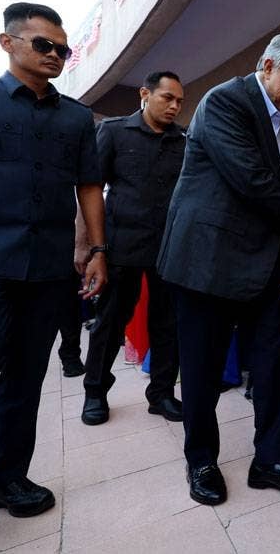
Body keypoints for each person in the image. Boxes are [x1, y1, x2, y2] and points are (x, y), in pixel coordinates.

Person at [0, 3, 106, 554]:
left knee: (25, 379)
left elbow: (88, 187)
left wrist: (96, 248)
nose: (56, 55)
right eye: (44, 45)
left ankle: (6, 480)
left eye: (63, 49)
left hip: (45, 269)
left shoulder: (77, 119)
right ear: (7, 43)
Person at [157, 33, 280, 507]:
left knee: (272, 365)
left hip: (260, 266)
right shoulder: (226, 102)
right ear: (266, 65)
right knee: (203, 371)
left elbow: (274, 187)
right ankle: (201, 461)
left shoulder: (279, 121)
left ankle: (271, 461)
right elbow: (251, 181)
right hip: (208, 263)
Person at [78, 71, 187, 426]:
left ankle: (161, 394)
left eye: (179, 101)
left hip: (168, 248)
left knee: (167, 323)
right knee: (110, 323)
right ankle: (95, 391)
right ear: (145, 93)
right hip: (121, 245)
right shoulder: (112, 132)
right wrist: (92, 248)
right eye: (167, 98)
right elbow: (90, 189)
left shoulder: (183, 140)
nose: (174, 106)